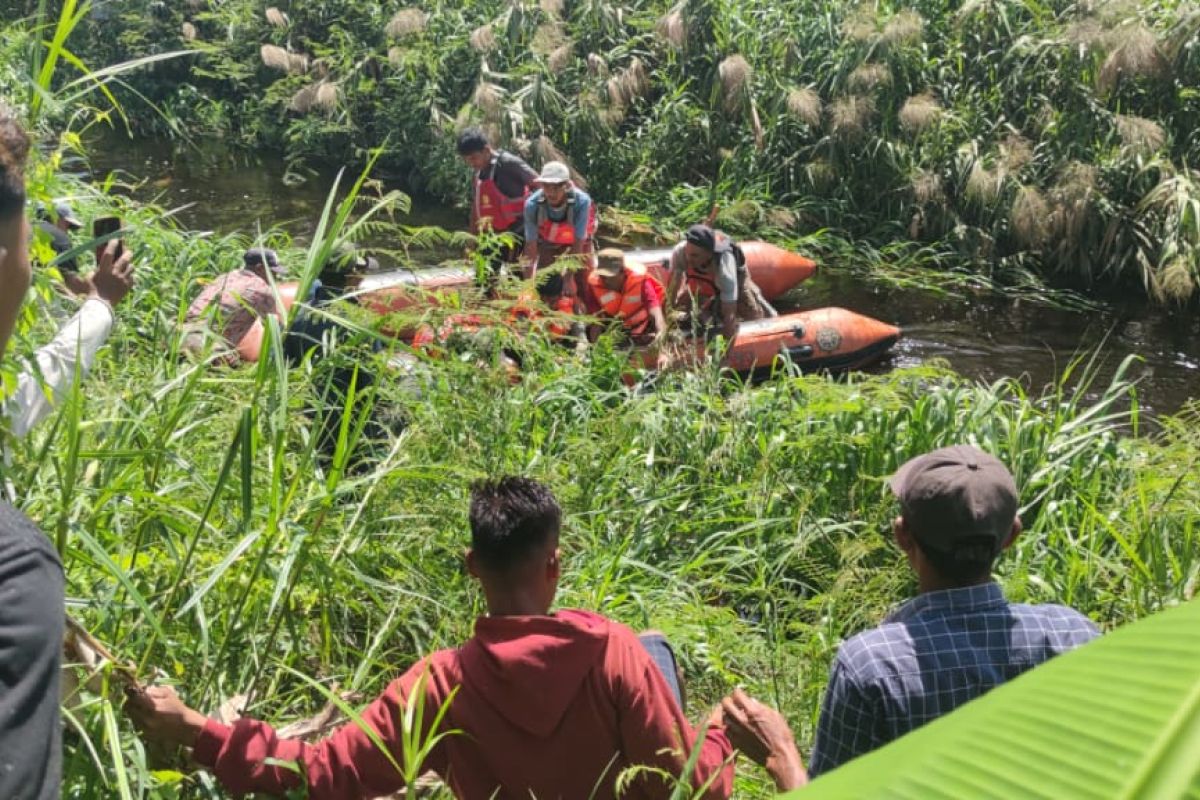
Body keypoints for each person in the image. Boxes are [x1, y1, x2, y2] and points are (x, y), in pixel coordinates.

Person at [126, 477, 735, 799]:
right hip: (627, 685)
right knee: (655, 649)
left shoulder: (441, 683)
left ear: (473, 566)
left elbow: (322, 774)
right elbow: (689, 789)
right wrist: (720, 740)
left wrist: (195, 729)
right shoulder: (611, 652)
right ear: (555, 564)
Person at [723, 445, 1100, 787]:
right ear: (1011, 536)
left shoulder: (871, 667)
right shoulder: (1074, 636)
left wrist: (780, 756)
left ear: (903, 536)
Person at [665, 224, 775, 346]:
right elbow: (672, 290)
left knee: (751, 312)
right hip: (700, 279)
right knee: (683, 304)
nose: (689, 258)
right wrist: (666, 323)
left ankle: (767, 319)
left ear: (709, 254)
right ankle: (705, 316)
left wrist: (725, 354)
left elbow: (730, 314)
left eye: (695, 255)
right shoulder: (680, 253)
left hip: (735, 277)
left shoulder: (725, 267)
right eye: (688, 253)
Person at [456, 128, 538, 291]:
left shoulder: (509, 163)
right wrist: (471, 241)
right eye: (467, 160)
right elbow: (476, 208)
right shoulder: (478, 174)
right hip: (491, 235)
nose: (471, 163)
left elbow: (541, 185)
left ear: (486, 150)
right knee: (483, 280)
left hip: (518, 232)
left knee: (517, 279)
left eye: (474, 158)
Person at [521, 160, 596, 314]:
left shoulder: (582, 202)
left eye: (556, 187)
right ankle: (547, 315)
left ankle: (585, 321)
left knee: (584, 280)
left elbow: (578, 243)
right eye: (547, 186)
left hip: (579, 244)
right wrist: (528, 284)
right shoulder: (532, 205)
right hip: (550, 243)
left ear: (566, 185)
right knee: (544, 279)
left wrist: (569, 278)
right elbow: (531, 246)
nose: (551, 192)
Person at [183, 247, 284, 359]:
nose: (276, 277)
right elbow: (278, 327)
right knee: (234, 369)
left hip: (179, 334)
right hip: (205, 345)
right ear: (259, 268)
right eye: (272, 272)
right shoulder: (262, 289)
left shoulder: (224, 277)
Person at [584, 247, 671, 368]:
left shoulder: (641, 283)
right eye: (602, 276)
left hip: (642, 331)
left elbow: (657, 315)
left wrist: (662, 348)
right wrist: (596, 351)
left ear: (622, 272)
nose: (605, 280)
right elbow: (595, 324)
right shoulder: (595, 286)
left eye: (610, 276)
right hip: (614, 334)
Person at [33, 200, 91, 296]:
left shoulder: (20, 229)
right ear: (56, 218)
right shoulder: (60, 238)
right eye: (68, 225)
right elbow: (74, 286)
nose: (67, 231)